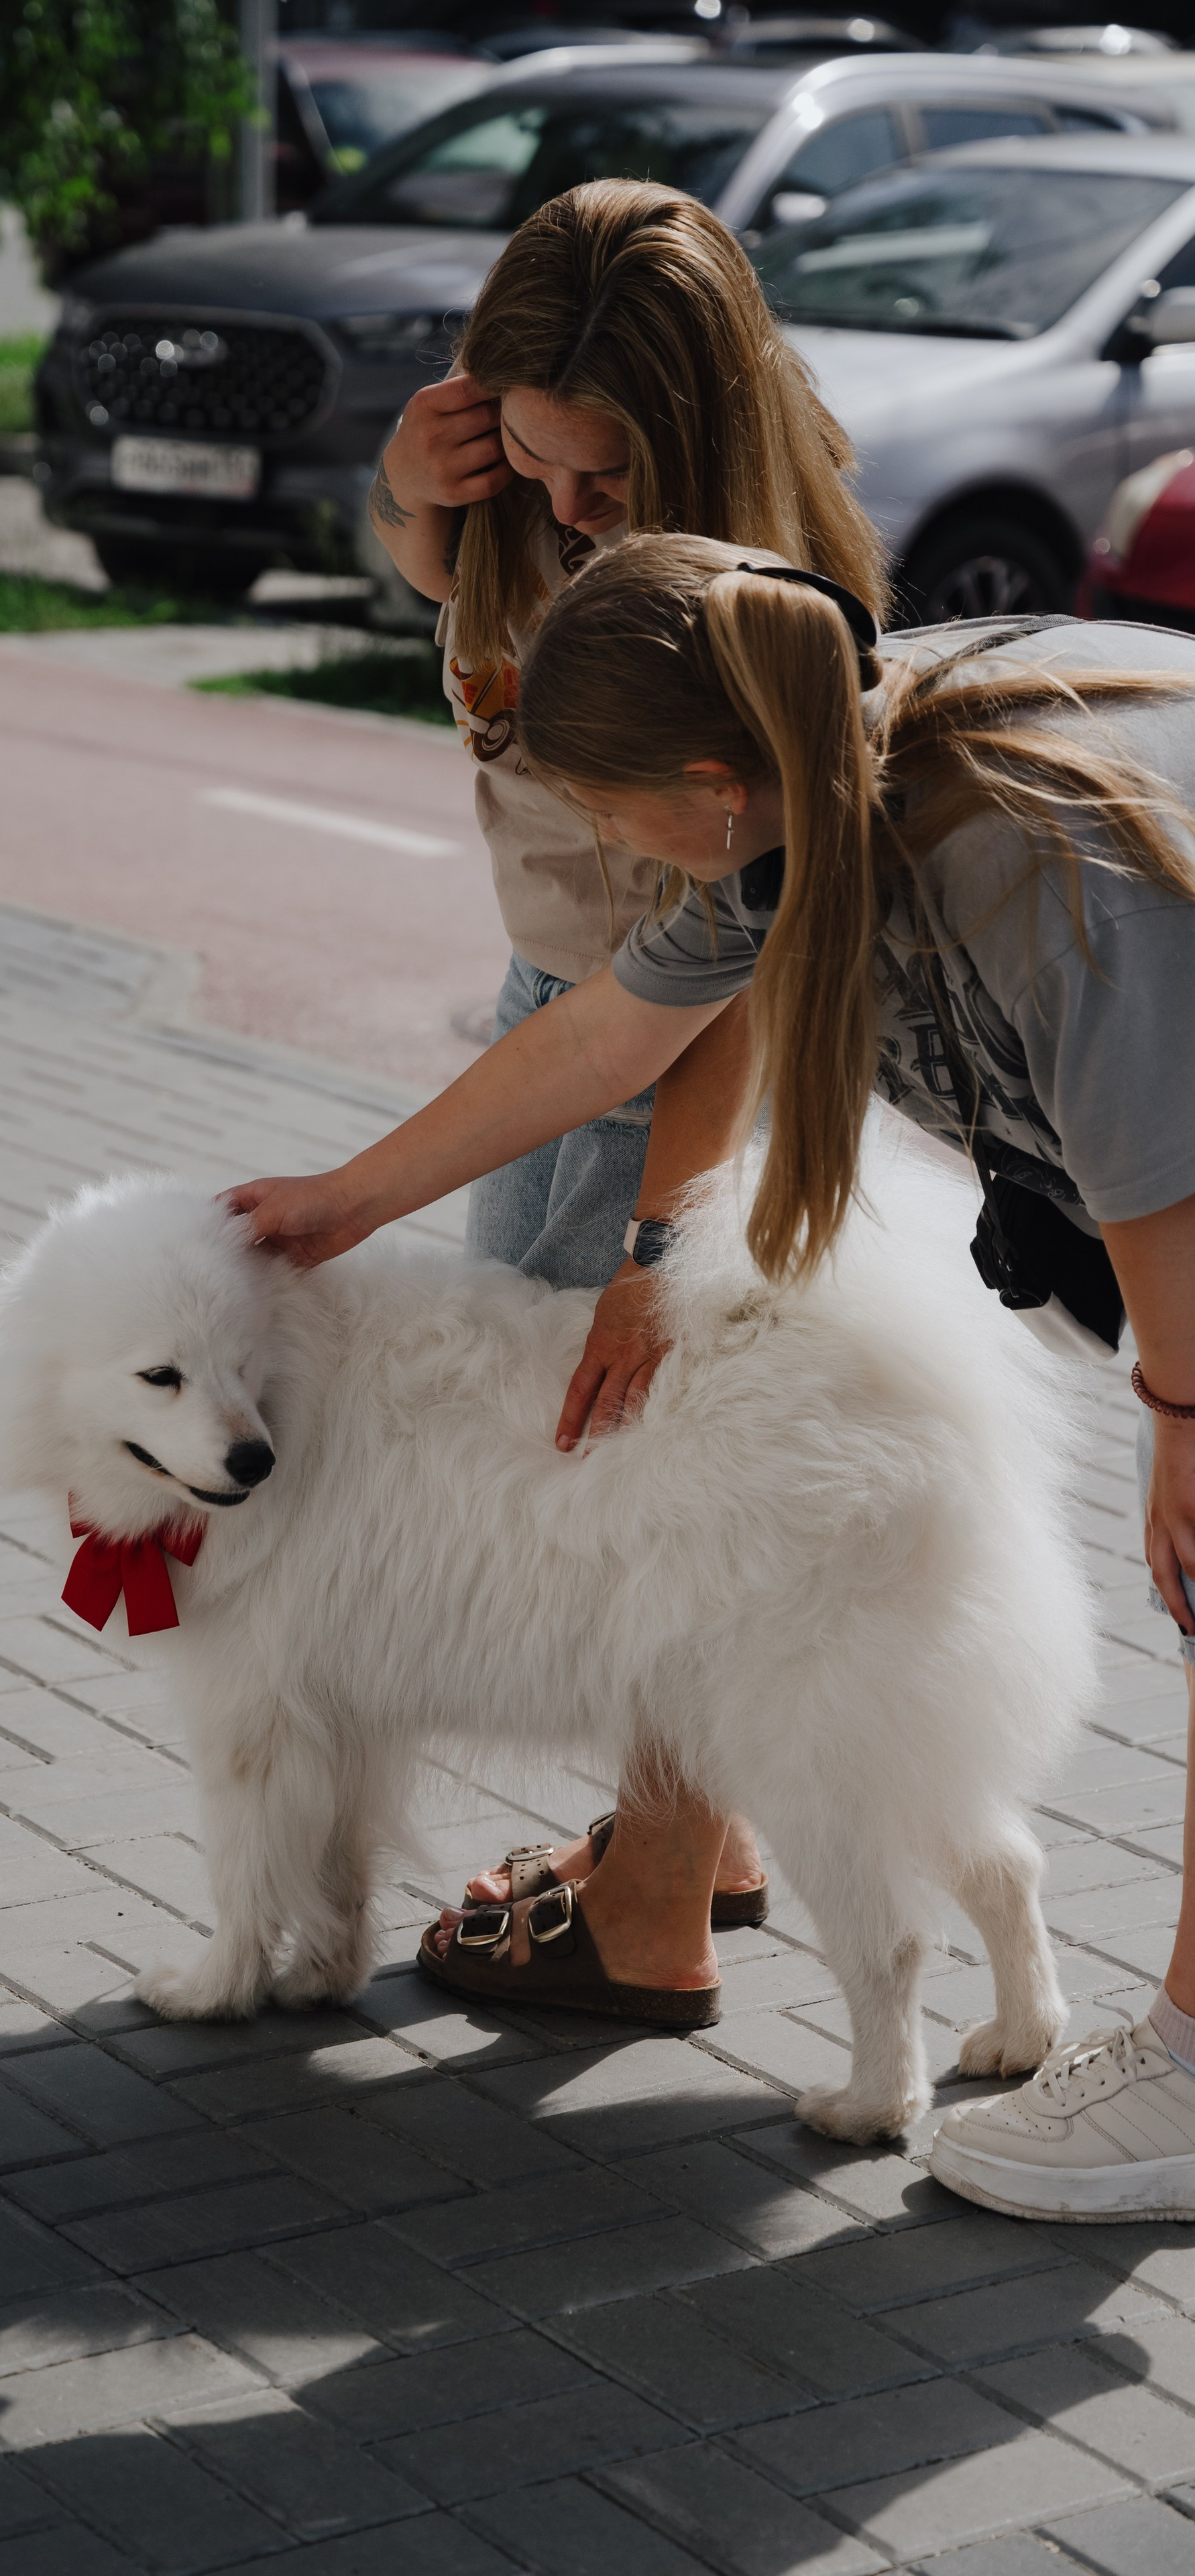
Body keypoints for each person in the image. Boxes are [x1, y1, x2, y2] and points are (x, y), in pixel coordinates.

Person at [229, 536, 1195, 2217]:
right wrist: (339, 1203)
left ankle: (1185, 2082)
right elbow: (605, 1037)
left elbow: (1163, 1186)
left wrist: (1181, 1429)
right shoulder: (813, 776)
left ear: (705, 781)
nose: (608, 848)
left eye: (612, 814)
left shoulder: (1027, 861)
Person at [367, 175, 884, 1934]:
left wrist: (662, 1251)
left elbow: (734, 980)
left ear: (700, 437)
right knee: (556, 1427)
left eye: (611, 483)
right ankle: (686, 1835)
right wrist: (421, 509)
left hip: (682, 1049)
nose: (574, 515)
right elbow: (473, 650)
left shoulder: (756, 607)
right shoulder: (509, 494)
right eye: (538, 465)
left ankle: (655, 1894)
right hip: (559, 1013)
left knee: (637, 1448)